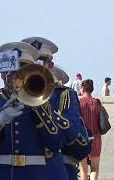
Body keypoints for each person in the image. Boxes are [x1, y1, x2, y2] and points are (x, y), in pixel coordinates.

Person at [0, 42, 78, 180]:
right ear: (4, 74)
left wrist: (37, 109)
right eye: (14, 69)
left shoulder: (45, 103)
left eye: (24, 68)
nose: (17, 75)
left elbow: (55, 144)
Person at [22, 37, 91, 180]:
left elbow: (71, 131)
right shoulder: (16, 93)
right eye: (34, 61)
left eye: (42, 61)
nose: (38, 65)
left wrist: (41, 107)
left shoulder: (64, 94)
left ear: (50, 65)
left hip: (56, 167)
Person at [79, 79, 108, 180]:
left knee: (83, 170)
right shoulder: (97, 103)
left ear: (82, 88)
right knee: (94, 169)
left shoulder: (78, 102)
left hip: (82, 140)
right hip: (95, 139)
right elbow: (105, 117)